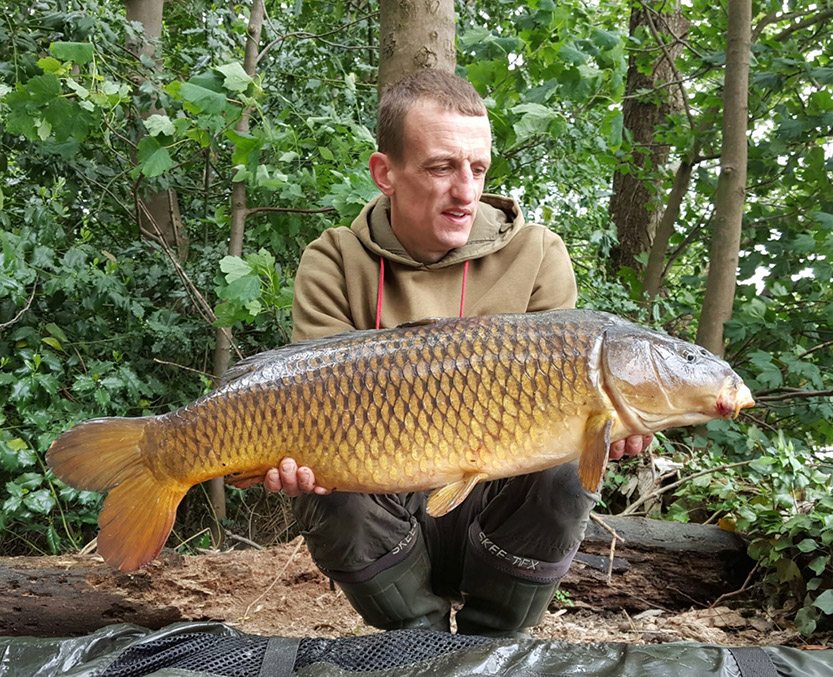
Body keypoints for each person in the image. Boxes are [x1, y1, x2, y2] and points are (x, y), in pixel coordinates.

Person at [261, 70, 651, 637]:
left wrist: (611, 424)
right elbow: (313, 403)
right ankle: (419, 644)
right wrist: (286, 457)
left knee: (567, 469)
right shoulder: (334, 261)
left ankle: (494, 644)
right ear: (384, 173)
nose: (466, 192)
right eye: (442, 167)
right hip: (382, 500)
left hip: (492, 505)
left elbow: (572, 397)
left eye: (478, 168)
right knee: (326, 484)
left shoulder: (538, 254)